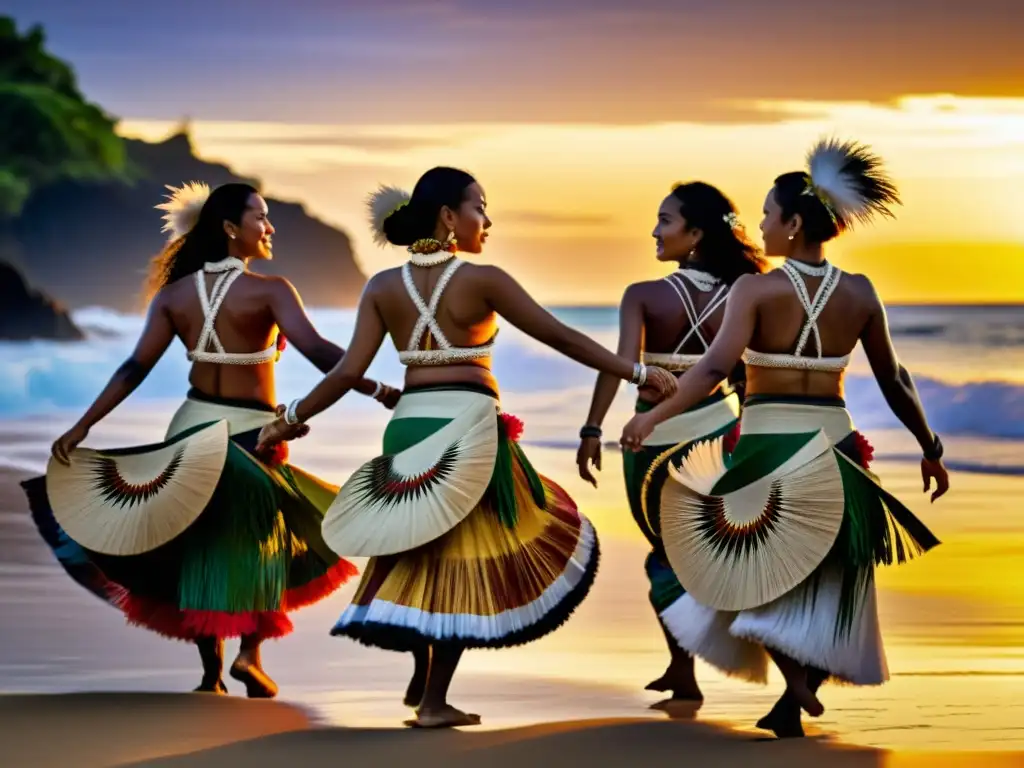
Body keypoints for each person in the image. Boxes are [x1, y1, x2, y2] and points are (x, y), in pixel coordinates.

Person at [256, 167, 678, 728]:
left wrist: (289, 418)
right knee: (461, 562)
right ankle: (434, 701)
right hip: (470, 430)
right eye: (480, 206)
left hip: (408, 426)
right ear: (449, 218)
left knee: (419, 550)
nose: (488, 219)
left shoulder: (383, 286)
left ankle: (422, 677)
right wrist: (636, 371)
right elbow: (561, 336)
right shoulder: (485, 280)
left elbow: (346, 371)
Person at [619, 139, 947, 738]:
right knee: (825, 580)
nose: (762, 224)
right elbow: (895, 379)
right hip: (838, 451)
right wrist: (930, 445)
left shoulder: (758, 290)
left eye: (770, 214)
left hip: (769, 449)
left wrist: (650, 418)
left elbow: (715, 369)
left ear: (795, 224)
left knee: (740, 568)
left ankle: (795, 685)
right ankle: (792, 702)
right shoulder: (861, 292)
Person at [21, 182, 400, 698]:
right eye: (260, 218)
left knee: (202, 545)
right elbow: (314, 349)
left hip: (192, 428)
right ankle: (249, 656)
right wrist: (378, 388)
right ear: (229, 228)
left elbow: (135, 367)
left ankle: (210, 676)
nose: (269, 228)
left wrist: (84, 424)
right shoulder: (272, 290)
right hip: (250, 433)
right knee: (253, 542)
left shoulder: (174, 297)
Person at [576, 181, 768, 701]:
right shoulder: (746, 291)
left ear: (697, 232)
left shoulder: (643, 295)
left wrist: (593, 429)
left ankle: (684, 669)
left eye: (665, 220)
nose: (655, 231)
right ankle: (724, 657)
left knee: (665, 552)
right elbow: (750, 379)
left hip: (654, 440)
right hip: (723, 436)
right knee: (712, 546)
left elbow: (618, 366)